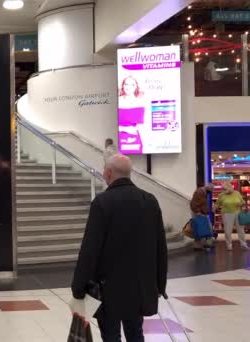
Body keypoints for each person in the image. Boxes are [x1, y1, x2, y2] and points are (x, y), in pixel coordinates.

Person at [72, 154, 168, 342]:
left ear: (108, 173)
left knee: (110, 336)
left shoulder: (102, 203)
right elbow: (160, 247)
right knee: (135, 333)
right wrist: (159, 284)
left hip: (109, 289)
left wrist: (79, 287)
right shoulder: (150, 201)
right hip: (139, 287)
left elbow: (90, 249)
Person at [216, 181, 250, 251]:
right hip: (227, 214)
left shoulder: (237, 193)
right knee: (228, 231)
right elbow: (217, 204)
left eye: (225, 189)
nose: (224, 190)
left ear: (229, 187)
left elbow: (242, 202)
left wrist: (240, 204)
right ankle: (229, 245)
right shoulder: (221, 195)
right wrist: (214, 208)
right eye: (223, 189)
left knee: (241, 230)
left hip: (237, 213)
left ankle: (243, 244)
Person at [118, 76, 146, 154]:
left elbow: (141, 127)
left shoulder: (140, 102)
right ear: (123, 86)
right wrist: (124, 129)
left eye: (132, 85)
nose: (128, 87)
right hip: (119, 138)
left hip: (134, 138)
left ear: (136, 87)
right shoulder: (117, 101)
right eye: (126, 84)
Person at [190, 184, 215, 250]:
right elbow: (194, 203)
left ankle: (200, 245)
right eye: (210, 190)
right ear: (207, 188)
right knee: (201, 229)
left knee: (200, 229)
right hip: (199, 213)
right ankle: (200, 245)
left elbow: (202, 203)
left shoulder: (203, 192)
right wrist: (198, 212)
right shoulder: (199, 192)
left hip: (201, 213)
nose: (210, 192)